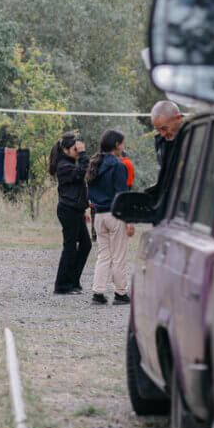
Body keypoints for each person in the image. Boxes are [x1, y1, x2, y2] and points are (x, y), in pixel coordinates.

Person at [86, 130, 135, 305]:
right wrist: (129, 220)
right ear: (116, 145)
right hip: (115, 215)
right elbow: (122, 195)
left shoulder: (94, 164)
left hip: (98, 216)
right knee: (119, 255)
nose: (123, 146)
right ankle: (121, 293)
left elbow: (89, 193)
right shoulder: (118, 166)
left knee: (104, 255)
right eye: (122, 143)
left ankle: (97, 293)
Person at [49, 133, 91, 295]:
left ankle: (73, 281)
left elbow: (79, 185)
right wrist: (83, 154)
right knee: (70, 247)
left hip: (75, 210)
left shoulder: (69, 163)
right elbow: (82, 172)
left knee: (86, 244)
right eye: (75, 148)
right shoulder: (63, 165)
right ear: (65, 150)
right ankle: (62, 285)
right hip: (68, 210)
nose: (77, 150)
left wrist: (83, 209)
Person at [147, 100, 184, 202]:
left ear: (178, 119)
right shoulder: (161, 143)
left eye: (164, 128)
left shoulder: (193, 139)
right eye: (158, 130)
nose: (162, 134)